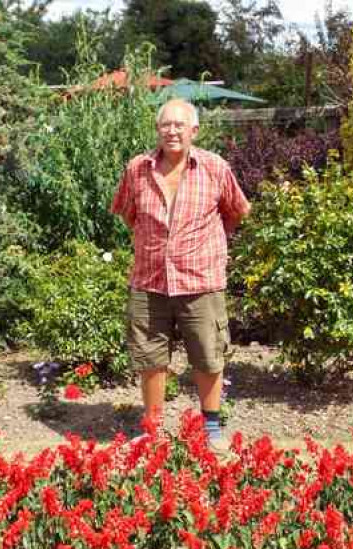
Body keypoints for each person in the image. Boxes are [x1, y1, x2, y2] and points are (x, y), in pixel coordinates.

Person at [110, 98, 250, 447]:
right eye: (165, 125)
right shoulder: (137, 170)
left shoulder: (215, 168)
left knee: (208, 354)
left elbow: (237, 211)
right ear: (158, 130)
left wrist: (206, 244)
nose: (172, 131)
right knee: (150, 359)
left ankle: (211, 428)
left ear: (194, 131)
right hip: (149, 280)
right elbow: (128, 214)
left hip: (200, 280)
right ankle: (152, 431)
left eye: (179, 125)